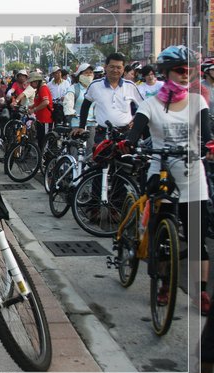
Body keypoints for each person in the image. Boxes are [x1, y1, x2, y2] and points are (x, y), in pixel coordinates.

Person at [124, 45, 212, 319]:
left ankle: (201, 293)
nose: (186, 76)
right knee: (161, 235)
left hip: (192, 174)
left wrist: (209, 144)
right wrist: (127, 143)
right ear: (165, 72)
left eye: (189, 71)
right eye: (179, 71)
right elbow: (136, 131)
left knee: (198, 240)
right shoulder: (151, 104)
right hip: (160, 171)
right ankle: (163, 284)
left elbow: (207, 132)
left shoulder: (198, 102)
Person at [72, 52, 144, 144]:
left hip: (125, 135)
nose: (115, 70)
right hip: (102, 135)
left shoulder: (130, 86)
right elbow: (85, 106)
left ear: (123, 70)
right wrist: (82, 127)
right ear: (106, 67)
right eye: (112, 67)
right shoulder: (95, 85)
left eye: (118, 67)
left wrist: (135, 120)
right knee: (100, 158)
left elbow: (143, 107)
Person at [63, 63, 97, 149]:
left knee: (91, 149)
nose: (89, 75)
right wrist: (70, 112)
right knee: (76, 149)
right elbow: (68, 101)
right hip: (76, 122)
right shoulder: (74, 88)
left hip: (92, 122)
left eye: (91, 72)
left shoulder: (94, 88)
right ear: (79, 75)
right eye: (86, 73)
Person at [27, 71, 53, 148]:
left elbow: (45, 102)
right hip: (40, 119)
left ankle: (44, 157)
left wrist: (34, 109)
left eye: (31, 82)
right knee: (40, 139)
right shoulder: (39, 89)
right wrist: (31, 106)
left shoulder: (43, 88)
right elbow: (39, 102)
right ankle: (40, 155)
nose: (31, 85)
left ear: (36, 81)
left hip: (45, 119)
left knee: (44, 140)